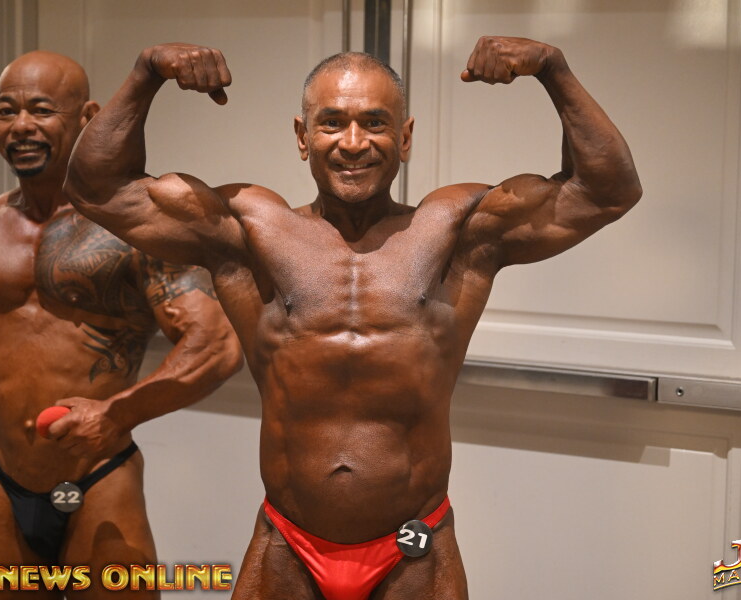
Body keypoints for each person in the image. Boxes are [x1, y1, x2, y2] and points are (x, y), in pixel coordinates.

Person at [65, 36, 641, 600]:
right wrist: (145, 74)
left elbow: (606, 191)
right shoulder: (249, 231)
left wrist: (553, 70)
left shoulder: (456, 231)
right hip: (287, 544)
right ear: (302, 136)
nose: (353, 142)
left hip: (414, 546)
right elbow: (99, 190)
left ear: (405, 137)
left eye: (375, 122)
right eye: (332, 122)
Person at [0, 50, 242, 596]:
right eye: (7, 111)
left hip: (101, 476)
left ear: (88, 117)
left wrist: (116, 414)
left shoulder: (136, 233)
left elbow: (217, 345)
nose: (21, 126)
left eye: (41, 110)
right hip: (2, 481)